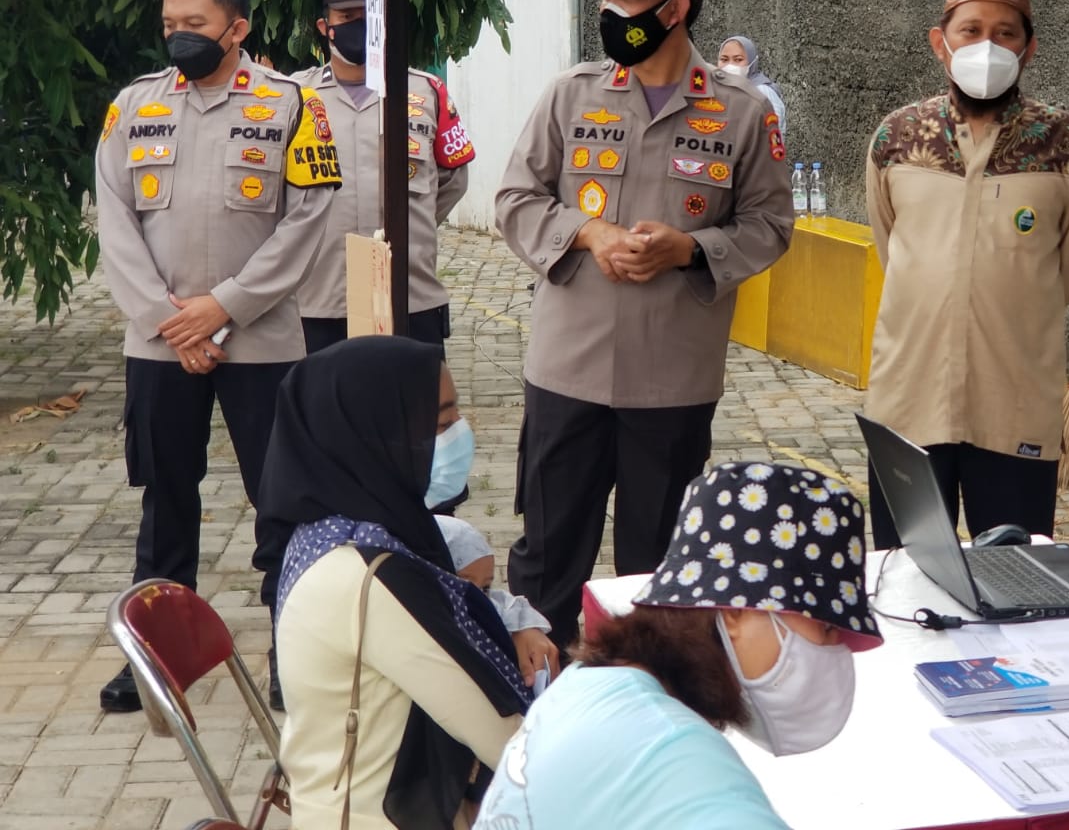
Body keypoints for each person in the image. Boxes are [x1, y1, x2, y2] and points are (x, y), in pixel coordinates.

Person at [495, 0, 795, 647]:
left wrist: (690, 248)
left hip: (672, 380)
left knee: (657, 567)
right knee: (546, 559)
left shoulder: (741, 112)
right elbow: (515, 198)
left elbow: (771, 225)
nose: (612, 10)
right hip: (568, 368)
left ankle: (648, 706)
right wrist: (588, 234)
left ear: (677, 7)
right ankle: (537, 711)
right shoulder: (572, 94)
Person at [94, 0, 342, 713]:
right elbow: (114, 220)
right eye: (169, 25)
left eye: (194, 26)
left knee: (281, 502)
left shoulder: (293, 106)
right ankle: (156, 656)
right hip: (160, 344)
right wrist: (174, 321)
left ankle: (289, 649)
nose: (178, 38)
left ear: (236, 28)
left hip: (261, 344)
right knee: (165, 500)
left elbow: (309, 217)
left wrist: (224, 308)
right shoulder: (132, 107)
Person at [476, 461, 881, 828]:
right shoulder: (671, 753)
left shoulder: (590, 681)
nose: (838, 647)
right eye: (827, 627)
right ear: (740, 612)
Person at [862, 0, 1069, 547]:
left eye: (1005, 33)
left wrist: (1005, 298)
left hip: (1015, 402)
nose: (986, 46)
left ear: (1030, 47)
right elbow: (890, 247)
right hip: (909, 404)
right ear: (939, 42)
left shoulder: (1064, 144)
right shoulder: (897, 137)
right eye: (970, 30)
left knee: (1015, 579)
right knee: (908, 585)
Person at [261, 337, 532, 829]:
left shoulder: (325, 531)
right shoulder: (373, 578)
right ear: (374, 437)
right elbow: (509, 739)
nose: (458, 439)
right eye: (441, 425)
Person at [294, 0, 475, 352]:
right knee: (322, 410)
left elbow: (452, 178)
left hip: (408, 295)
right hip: (319, 298)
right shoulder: (295, 98)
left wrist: (411, 220)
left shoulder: (426, 92)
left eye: (368, 16)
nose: (358, 25)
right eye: (347, 18)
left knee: (412, 408)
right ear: (326, 28)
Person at [435, 515, 561, 687]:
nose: (478, 600)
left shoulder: (482, 608)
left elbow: (501, 602)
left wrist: (524, 627)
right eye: (463, 586)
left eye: (485, 587)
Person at [717, 35, 787, 135]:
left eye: (738, 60)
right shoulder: (723, 90)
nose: (730, 65)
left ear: (752, 61)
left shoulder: (762, 93)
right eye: (724, 59)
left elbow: (771, 136)